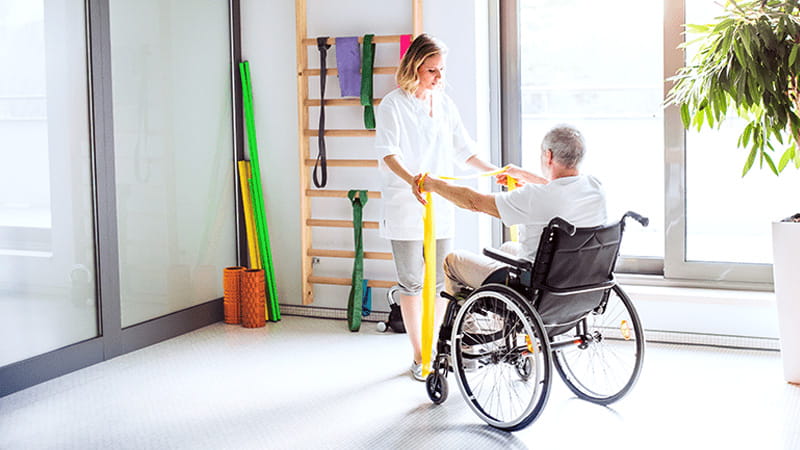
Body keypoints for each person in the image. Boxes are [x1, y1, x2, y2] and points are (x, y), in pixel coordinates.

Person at [374, 33, 501, 381]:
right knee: (412, 282)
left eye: (442, 70)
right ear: (415, 67)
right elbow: (388, 153)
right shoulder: (393, 105)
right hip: (405, 205)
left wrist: (496, 171)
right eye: (432, 71)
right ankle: (420, 354)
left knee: (444, 281)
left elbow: (465, 151)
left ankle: (438, 345)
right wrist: (414, 179)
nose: (439, 78)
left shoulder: (444, 104)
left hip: (440, 204)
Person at [416, 125, 608, 295]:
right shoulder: (594, 187)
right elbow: (559, 191)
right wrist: (524, 175)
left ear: (548, 155)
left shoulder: (534, 197)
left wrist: (434, 185)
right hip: (580, 280)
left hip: (537, 286)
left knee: (453, 261)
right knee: (507, 248)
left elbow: (474, 202)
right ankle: (505, 321)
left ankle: (468, 327)